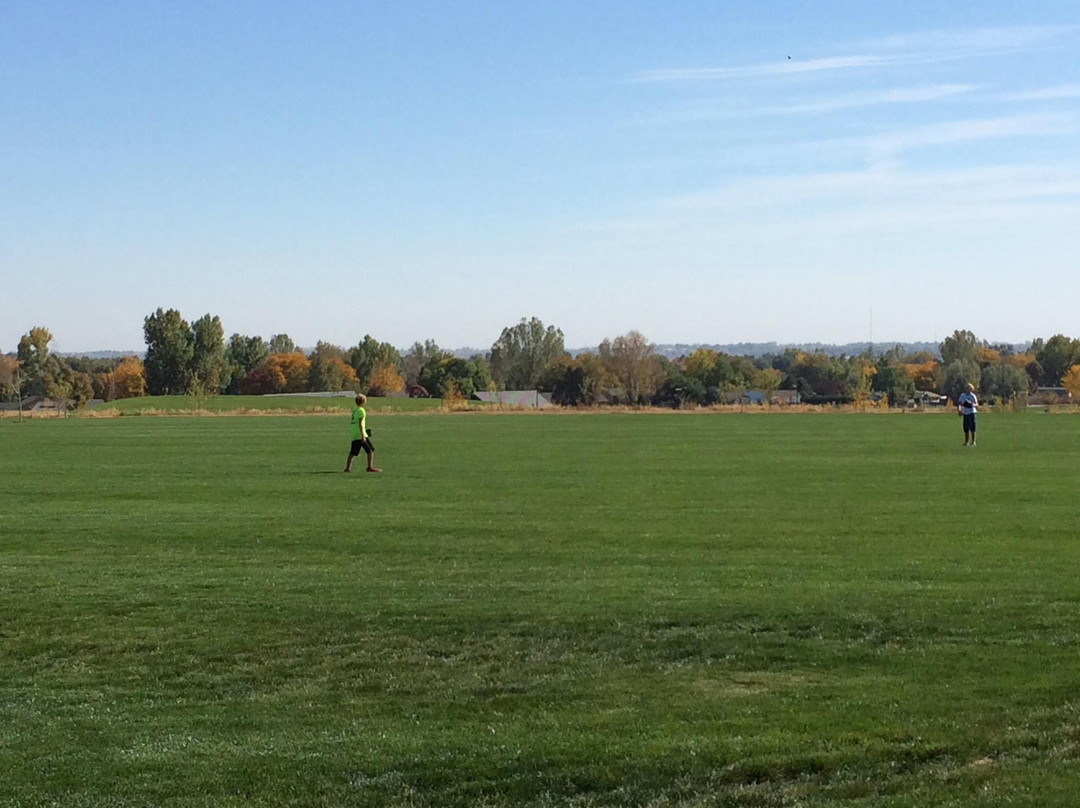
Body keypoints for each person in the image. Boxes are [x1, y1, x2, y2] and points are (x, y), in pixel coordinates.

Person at [345, 394, 381, 472]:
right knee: (370, 450)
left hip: (355, 433)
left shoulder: (355, 409)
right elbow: (360, 423)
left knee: (353, 452)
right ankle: (370, 467)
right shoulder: (361, 410)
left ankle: (347, 468)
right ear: (363, 401)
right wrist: (363, 436)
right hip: (360, 434)